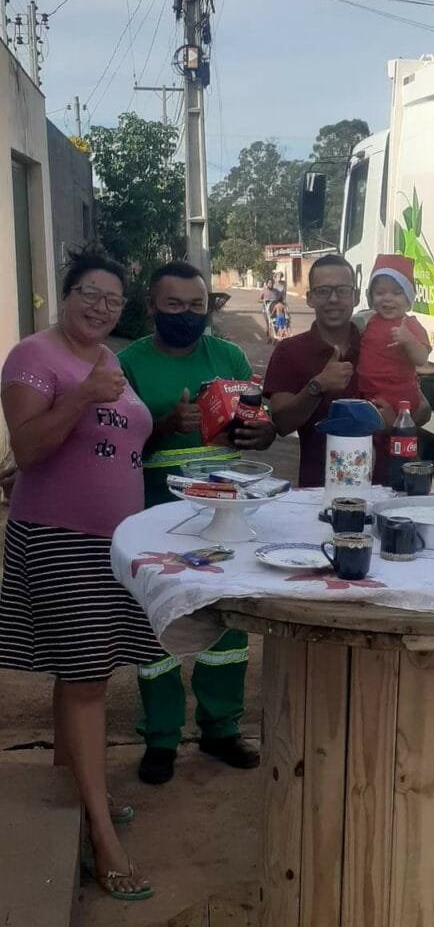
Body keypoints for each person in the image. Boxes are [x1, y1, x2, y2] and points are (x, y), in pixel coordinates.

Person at [0, 250, 161, 901]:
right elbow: (30, 446)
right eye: (89, 294)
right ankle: (102, 835)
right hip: (58, 539)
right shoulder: (33, 358)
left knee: (84, 674)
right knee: (89, 680)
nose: (100, 306)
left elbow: (117, 439)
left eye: (113, 300)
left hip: (111, 542)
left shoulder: (109, 358)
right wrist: (83, 399)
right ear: (64, 295)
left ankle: (79, 791)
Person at [119, 261, 275, 786]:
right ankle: (161, 737)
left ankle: (220, 727)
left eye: (196, 305)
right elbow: (113, 443)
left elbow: (253, 419)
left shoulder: (228, 355)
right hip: (155, 508)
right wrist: (163, 426)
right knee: (156, 621)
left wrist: (259, 433)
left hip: (223, 507)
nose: (187, 315)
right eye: (174, 305)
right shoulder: (129, 364)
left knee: (224, 619)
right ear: (151, 307)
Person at [263, 252, 431, 486]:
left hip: (388, 488)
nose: (333, 299)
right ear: (310, 298)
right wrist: (317, 386)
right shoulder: (290, 351)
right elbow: (281, 423)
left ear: (355, 297)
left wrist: (397, 422)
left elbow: (423, 409)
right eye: (323, 291)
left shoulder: (377, 343)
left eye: (342, 291)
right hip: (321, 492)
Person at [357, 253, 431, 414]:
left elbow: (421, 359)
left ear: (408, 299)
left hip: (399, 400)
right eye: (380, 293)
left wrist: (409, 340)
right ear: (371, 297)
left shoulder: (410, 324)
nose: (387, 299)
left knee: (394, 436)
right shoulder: (368, 320)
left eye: (397, 293)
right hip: (368, 397)